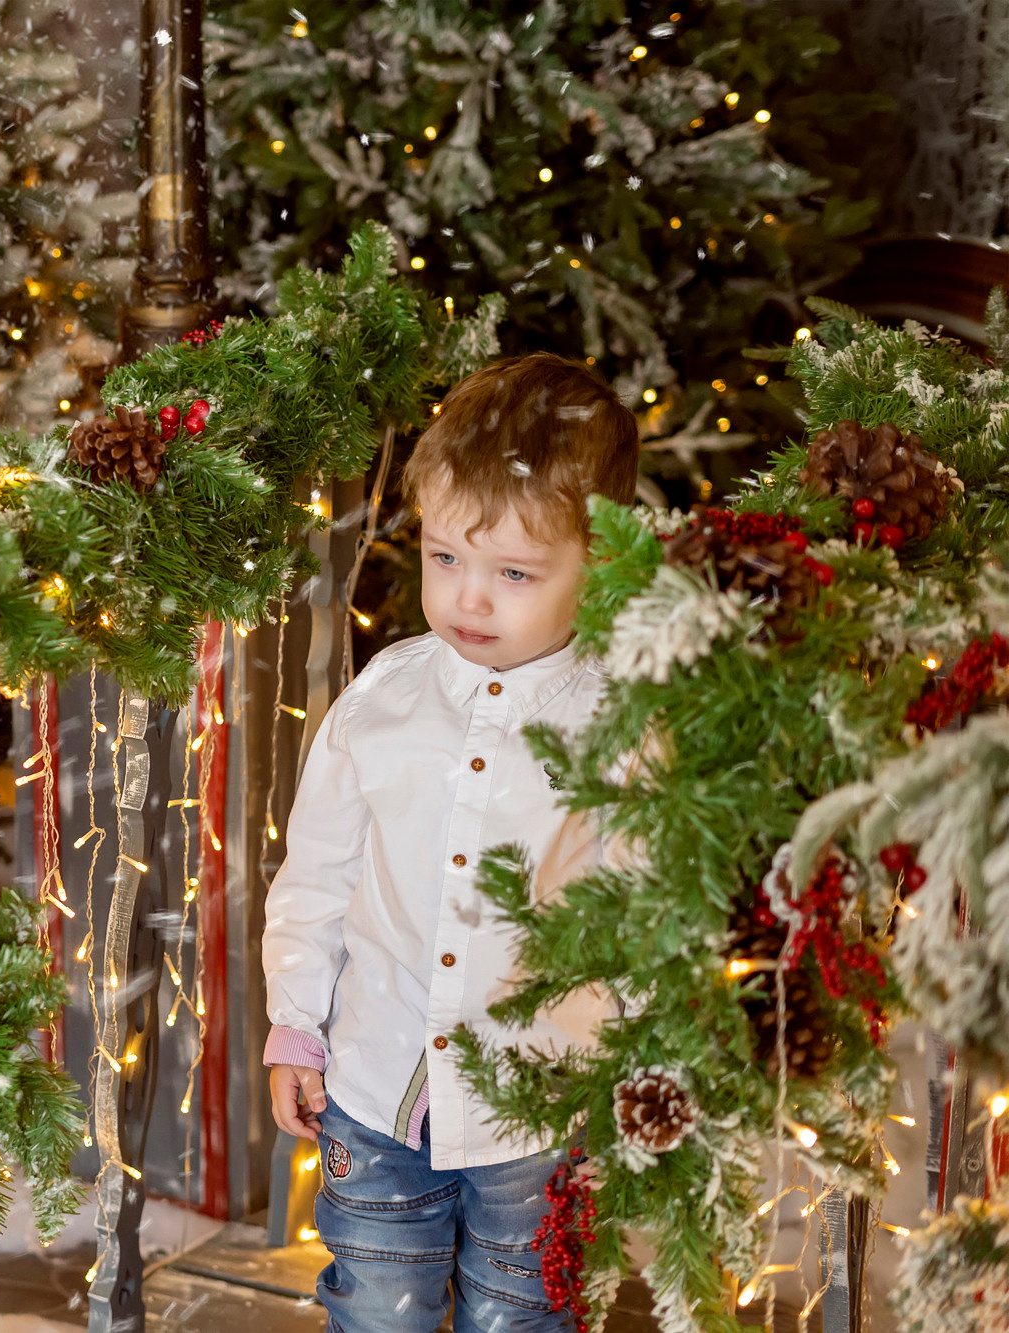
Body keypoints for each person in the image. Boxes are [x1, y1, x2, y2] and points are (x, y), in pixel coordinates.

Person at [263, 353, 640, 1333]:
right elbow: (315, 874)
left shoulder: (622, 725)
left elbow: (645, 908)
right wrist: (296, 1021)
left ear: (599, 563)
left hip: (538, 1103)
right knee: (376, 1305)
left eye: (512, 572)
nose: (469, 598)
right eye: (443, 558)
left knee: (519, 1312)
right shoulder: (383, 698)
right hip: (375, 1083)